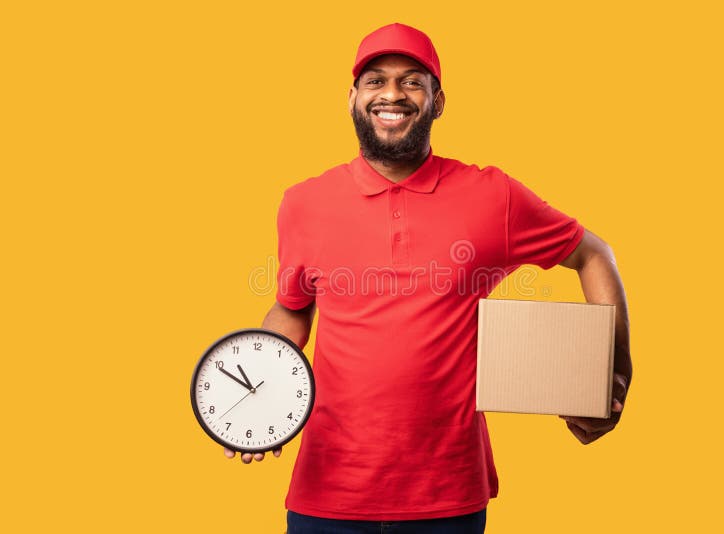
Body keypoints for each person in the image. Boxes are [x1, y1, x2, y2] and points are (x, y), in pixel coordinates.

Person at [224, 23, 632, 534]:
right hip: (326, 491)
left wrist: (613, 374)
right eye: (375, 81)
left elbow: (594, 255)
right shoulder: (303, 202)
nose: (392, 93)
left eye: (412, 81)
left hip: (447, 496)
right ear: (352, 98)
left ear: (438, 101)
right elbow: (292, 308)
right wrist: (261, 396)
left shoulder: (494, 196)